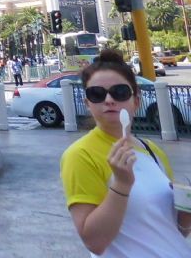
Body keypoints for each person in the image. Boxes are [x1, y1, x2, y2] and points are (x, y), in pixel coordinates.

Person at [61, 49, 191, 256]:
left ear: (136, 101)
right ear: (87, 103)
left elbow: (169, 229)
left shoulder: (151, 149)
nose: (109, 100)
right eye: (97, 94)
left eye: (119, 92)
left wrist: (186, 212)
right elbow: (94, 242)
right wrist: (121, 184)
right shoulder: (80, 154)